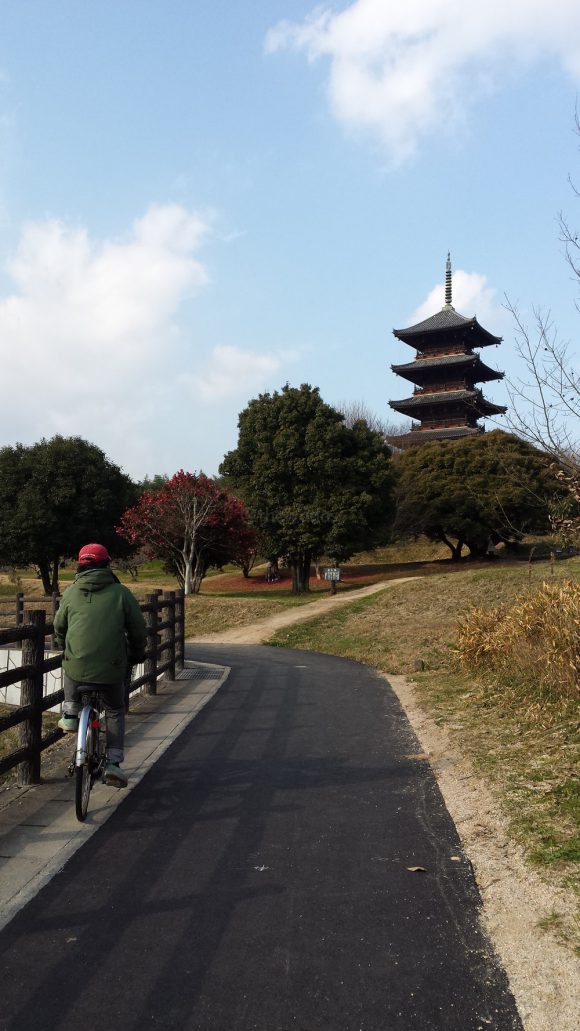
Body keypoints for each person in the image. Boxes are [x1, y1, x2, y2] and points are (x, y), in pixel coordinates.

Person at [54, 543, 147, 789]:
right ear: (107, 564)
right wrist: (137, 653)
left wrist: (61, 643)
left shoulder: (71, 592)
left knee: (71, 659)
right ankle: (114, 763)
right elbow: (138, 630)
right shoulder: (121, 593)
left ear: (80, 566)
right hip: (112, 668)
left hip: (77, 667)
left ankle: (71, 712)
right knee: (115, 709)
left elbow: (59, 626)